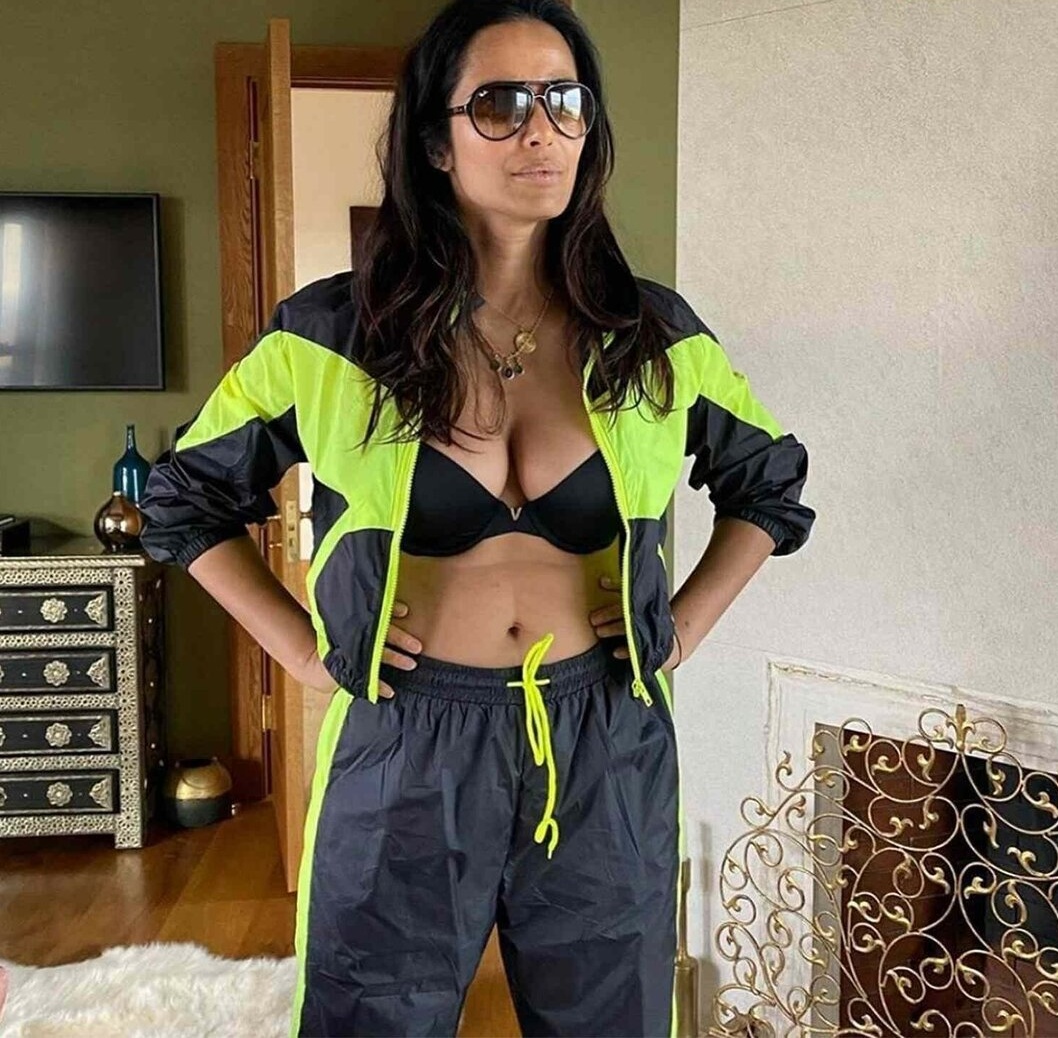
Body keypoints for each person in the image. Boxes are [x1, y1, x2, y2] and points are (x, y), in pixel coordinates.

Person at [138, 0, 816, 1035]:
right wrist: (304, 651)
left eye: (564, 100)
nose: (540, 130)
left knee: (615, 1019)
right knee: (371, 1016)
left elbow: (766, 483)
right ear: (434, 141)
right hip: (407, 739)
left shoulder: (651, 335)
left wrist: (679, 629)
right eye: (499, 103)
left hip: (604, 740)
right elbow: (184, 497)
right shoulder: (330, 334)